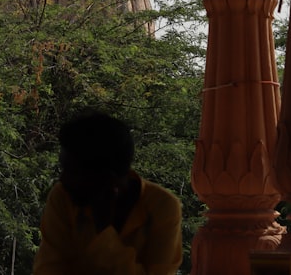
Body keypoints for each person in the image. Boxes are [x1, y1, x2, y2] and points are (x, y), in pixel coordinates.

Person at [33, 111, 182, 274]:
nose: (63, 179)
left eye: (73, 172)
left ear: (108, 179)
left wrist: (104, 230)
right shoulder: (62, 196)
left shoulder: (163, 207)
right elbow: (48, 268)